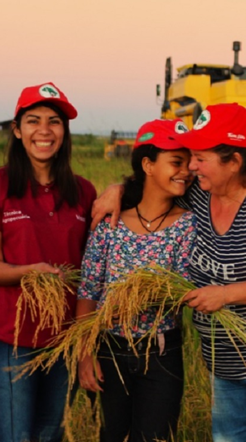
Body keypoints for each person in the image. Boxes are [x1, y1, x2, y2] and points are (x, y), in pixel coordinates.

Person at [91, 103, 246, 442]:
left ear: (234, 161)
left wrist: (225, 294)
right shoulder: (201, 196)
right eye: (190, 157)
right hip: (226, 366)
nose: (191, 167)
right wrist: (119, 188)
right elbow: (155, 187)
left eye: (201, 158)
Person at [0, 82, 97, 442]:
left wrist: (119, 190)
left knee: (50, 435)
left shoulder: (84, 191)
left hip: (64, 340)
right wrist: (31, 272)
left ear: (64, 131)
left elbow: (92, 268)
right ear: (17, 129)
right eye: (33, 120)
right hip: (11, 338)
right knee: (15, 436)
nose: (44, 130)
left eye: (54, 121)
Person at [77, 119, 195, 442]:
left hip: (160, 354)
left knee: (155, 437)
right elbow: (88, 289)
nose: (185, 171)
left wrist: (139, 299)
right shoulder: (110, 222)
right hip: (110, 350)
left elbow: (185, 289)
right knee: (112, 435)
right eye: (176, 162)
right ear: (147, 164)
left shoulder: (188, 226)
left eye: (189, 163)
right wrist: (85, 354)